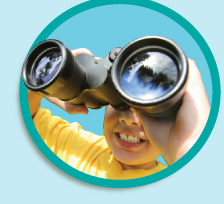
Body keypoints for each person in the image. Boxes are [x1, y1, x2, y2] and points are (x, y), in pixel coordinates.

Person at [28, 48, 210, 179]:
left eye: (149, 109)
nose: (130, 119)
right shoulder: (77, 146)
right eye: (120, 102)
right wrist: (47, 86)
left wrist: (185, 149)